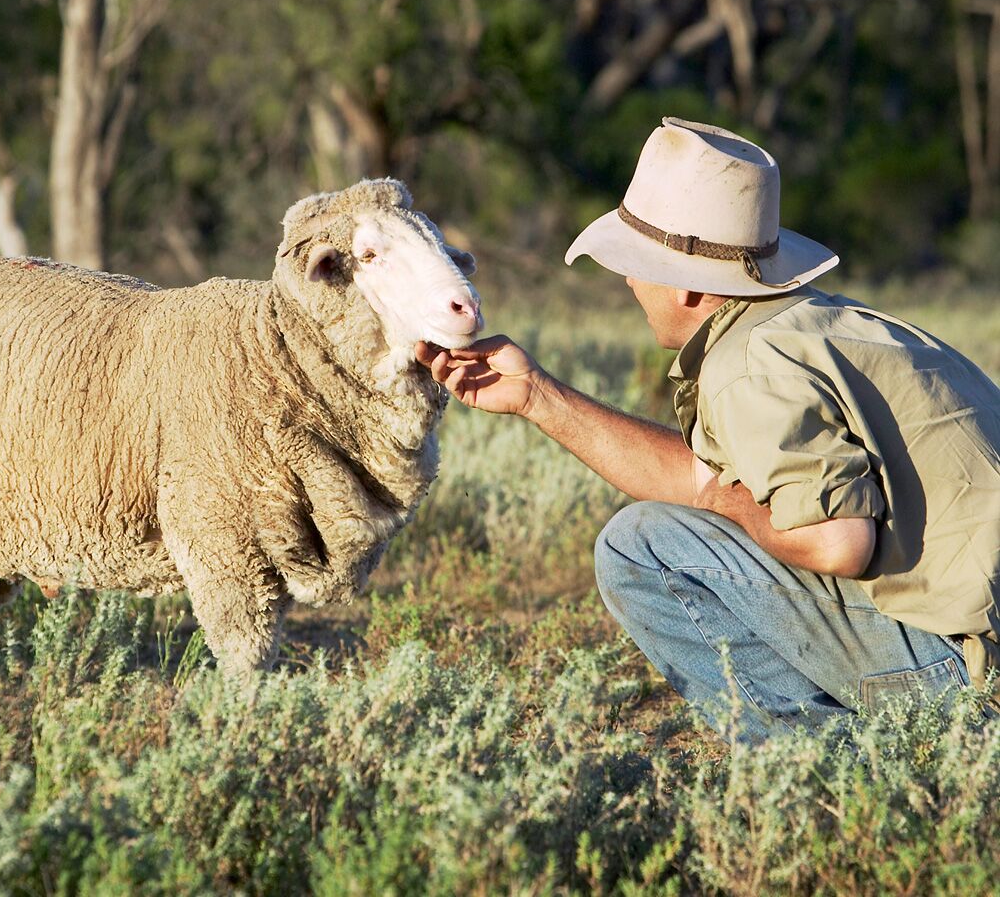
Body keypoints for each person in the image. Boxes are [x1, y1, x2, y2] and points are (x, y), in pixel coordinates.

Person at [415, 116, 1000, 743]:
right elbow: (701, 482)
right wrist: (538, 396)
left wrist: (730, 501)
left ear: (690, 287)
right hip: (974, 645)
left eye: (637, 265)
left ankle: (815, 765)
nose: (631, 282)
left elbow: (837, 543)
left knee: (637, 545)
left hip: (959, 677)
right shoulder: (818, 326)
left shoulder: (749, 363)